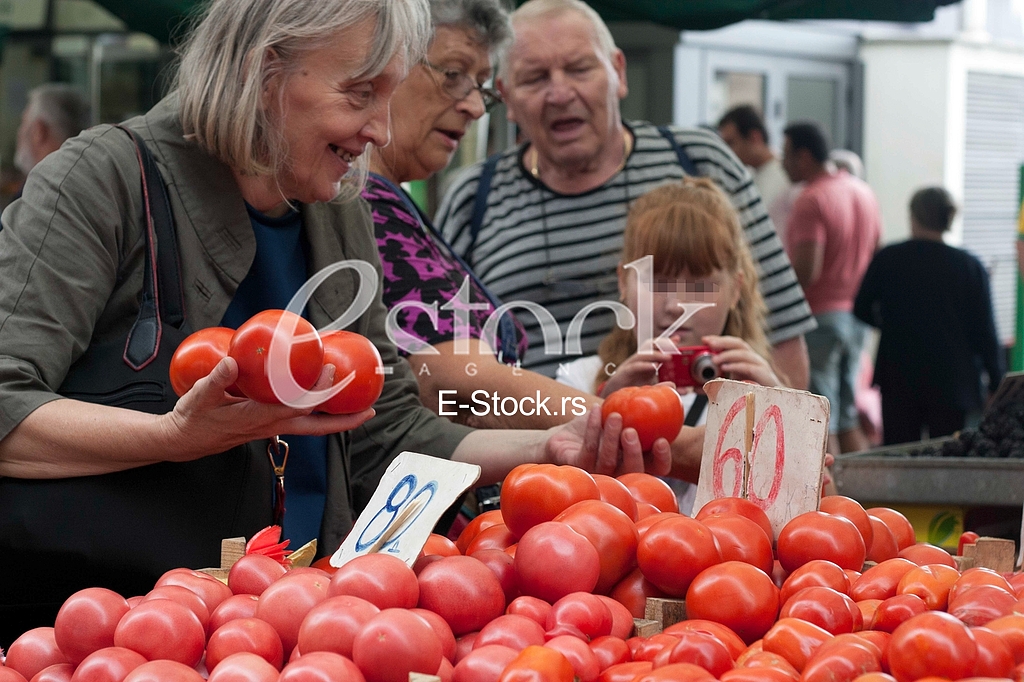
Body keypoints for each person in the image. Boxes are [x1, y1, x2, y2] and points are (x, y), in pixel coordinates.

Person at [0, 0, 669, 643]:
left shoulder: (337, 205)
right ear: (263, 73)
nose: (381, 129)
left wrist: (547, 448)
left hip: (300, 630)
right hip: (116, 633)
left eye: (390, 94)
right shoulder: (101, 180)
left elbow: (390, 430)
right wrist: (172, 435)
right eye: (360, 94)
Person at [436, 0, 815, 390]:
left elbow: (782, 329)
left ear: (618, 71)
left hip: (707, 427)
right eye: (535, 78)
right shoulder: (472, 199)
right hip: (525, 443)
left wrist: (793, 432)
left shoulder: (700, 162)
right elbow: (441, 360)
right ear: (506, 96)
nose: (560, 93)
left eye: (580, 69)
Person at [363, 0, 595, 429]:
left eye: (482, 86)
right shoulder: (363, 204)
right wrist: (620, 425)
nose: (472, 106)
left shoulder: (393, 202)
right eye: (453, 75)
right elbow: (459, 382)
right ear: (384, 65)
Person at [557, 178, 783, 511]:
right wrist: (604, 409)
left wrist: (787, 414)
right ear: (623, 281)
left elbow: (819, 507)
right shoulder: (578, 381)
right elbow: (555, 499)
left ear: (736, 289)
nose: (677, 305)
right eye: (657, 282)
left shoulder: (760, 392)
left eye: (700, 286)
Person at [854, 187, 1004, 445]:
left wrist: (890, 325)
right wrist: (997, 382)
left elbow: (861, 308)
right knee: (948, 459)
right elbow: (985, 332)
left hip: (899, 376)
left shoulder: (889, 258)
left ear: (913, 217)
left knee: (898, 458)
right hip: (954, 382)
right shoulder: (970, 266)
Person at [782, 122, 879, 455]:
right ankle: (864, 497)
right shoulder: (862, 191)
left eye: (786, 155)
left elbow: (808, 270)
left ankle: (833, 503)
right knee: (848, 414)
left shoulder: (811, 199)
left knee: (822, 418)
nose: (783, 164)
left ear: (804, 156)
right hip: (858, 317)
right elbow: (875, 254)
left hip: (821, 316)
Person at [10, 83, 90, 203]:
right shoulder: (91, 182)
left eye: (24, 122)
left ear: (39, 131)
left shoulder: (34, 198)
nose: (19, 132)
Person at [717, 105, 790, 212]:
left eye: (731, 143)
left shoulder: (785, 177)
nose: (726, 151)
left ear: (755, 137)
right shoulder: (748, 175)